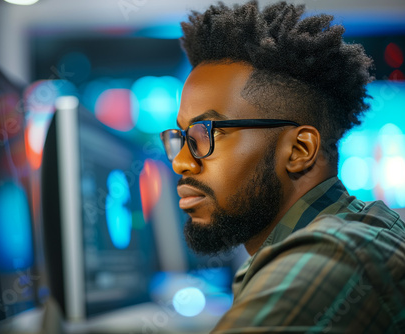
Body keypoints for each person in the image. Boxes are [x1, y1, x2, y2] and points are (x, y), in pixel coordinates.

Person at [160, 1, 405, 332]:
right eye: (182, 136)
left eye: (206, 134)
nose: (180, 161)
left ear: (299, 150)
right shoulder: (354, 229)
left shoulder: (330, 258)